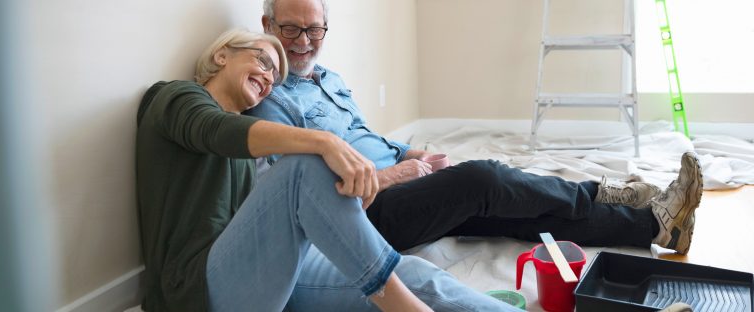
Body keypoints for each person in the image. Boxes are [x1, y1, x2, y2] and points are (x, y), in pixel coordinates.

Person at [245, 0, 704, 255]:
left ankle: (655, 226)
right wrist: (392, 177)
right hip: (368, 215)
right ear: (267, 24)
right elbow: (303, 194)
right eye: (290, 30)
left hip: (406, 186)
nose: (304, 42)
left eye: (315, 30)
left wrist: (410, 155)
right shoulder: (269, 104)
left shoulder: (330, 80)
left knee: (513, 207)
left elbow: (367, 137)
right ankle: (599, 192)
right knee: (483, 177)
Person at [136, 29, 521, 312]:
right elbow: (213, 130)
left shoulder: (248, 149)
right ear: (222, 56)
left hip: (259, 277)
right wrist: (325, 142)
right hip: (193, 292)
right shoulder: (173, 97)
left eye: (275, 77)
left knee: (415, 274)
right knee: (303, 162)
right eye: (263, 61)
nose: (269, 77)